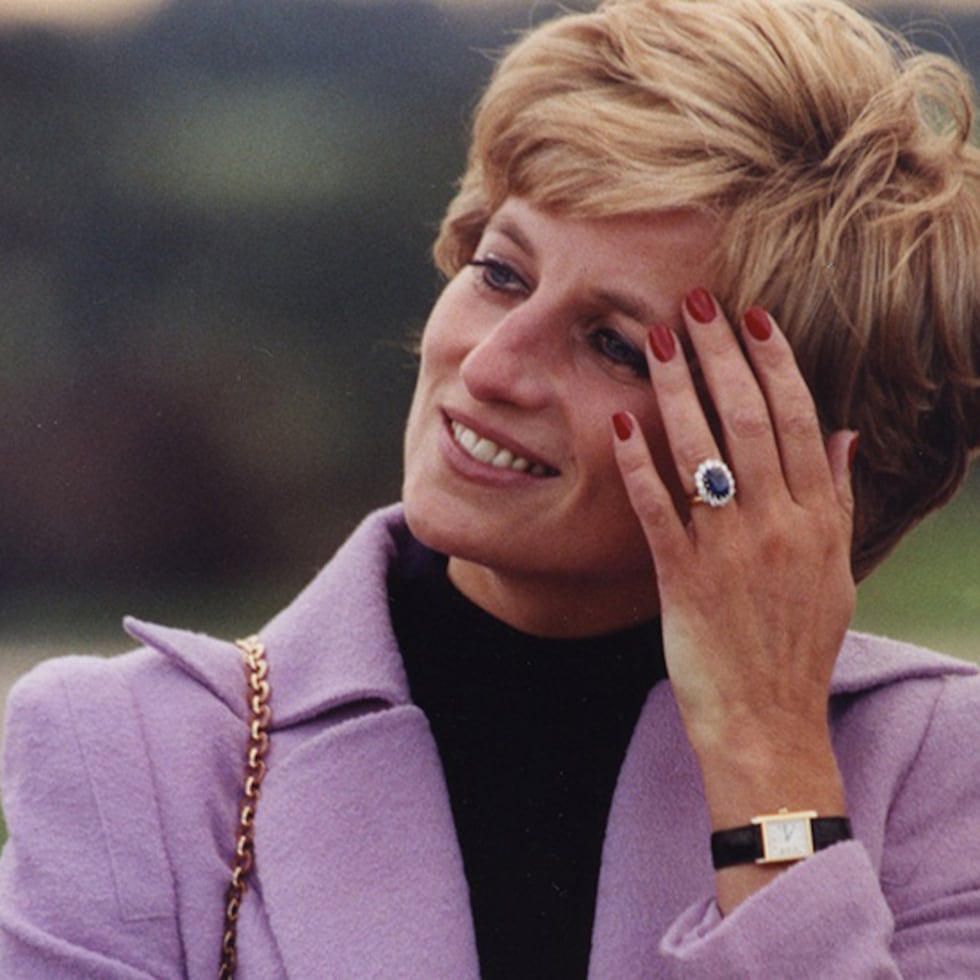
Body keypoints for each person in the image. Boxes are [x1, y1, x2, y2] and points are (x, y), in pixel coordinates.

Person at [2, 0, 979, 975]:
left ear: (801, 454)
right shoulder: (129, 751)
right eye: (501, 273)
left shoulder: (939, 769)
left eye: (613, 344)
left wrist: (770, 765)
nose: (491, 365)